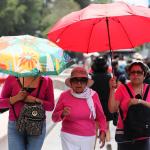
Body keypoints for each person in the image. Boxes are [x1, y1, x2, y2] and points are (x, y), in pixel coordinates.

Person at [52, 67, 107, 150]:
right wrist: (62, 113)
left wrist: (103, 131)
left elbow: (101, 117)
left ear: (86, 83)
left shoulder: (93, 95)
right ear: (71, 82)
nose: (79, 83)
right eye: (75, 80)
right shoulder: (64, 95)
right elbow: (54, 118)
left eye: (82, 80)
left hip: (88, 137)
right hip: (68, 137)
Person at [0, 73, 55, 150]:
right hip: (15, 125)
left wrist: (35, 100)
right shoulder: (12, 78)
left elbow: (51, 106)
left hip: (37, 125)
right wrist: (16, 98)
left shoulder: (47, 80)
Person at [108, 61, 150, 150]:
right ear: (129, 75)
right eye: (133, 72)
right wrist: (112, 90)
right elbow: (112, 109)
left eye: (139, 72)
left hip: (144, 134)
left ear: (144, 75)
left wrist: (139, 101)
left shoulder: (149, 89)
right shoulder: (122, 89)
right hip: (124, 135)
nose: (136, 75)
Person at [90, 56, 116, 150]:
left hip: (94, 106)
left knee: (94, 129)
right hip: (106, 105)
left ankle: (92, 147)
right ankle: (108, 144)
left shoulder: (91, 78)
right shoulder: (110, 77)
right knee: (106, 127)